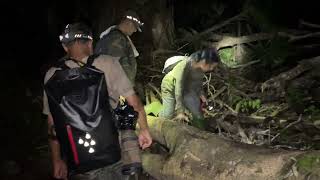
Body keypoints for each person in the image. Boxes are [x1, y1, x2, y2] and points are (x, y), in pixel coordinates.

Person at [43, 22, 152, 180]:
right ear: (90, 42)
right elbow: (134, 103)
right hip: (112, 153)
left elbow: (52, 124)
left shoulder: (52, 75)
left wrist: (57, 160)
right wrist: (144, 130)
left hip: (78, 159)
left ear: (65, 47)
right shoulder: (107, 63)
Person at [159, 48, 220, 130]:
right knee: (168, 114)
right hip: (169, 87)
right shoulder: (184, 65)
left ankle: (200, 131)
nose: (212, 69)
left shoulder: (199, 70)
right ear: (204, 62)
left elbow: (198, 85)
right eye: (211, 66)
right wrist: (180, 111)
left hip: (185, 88)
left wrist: (202, 96)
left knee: (196, 109)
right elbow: (178, 88)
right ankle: (158, 122)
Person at [94, 10, 143, 85]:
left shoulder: (118, 38)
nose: (135, 31)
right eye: (135, 27)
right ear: (129, 23)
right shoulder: (116, 39)